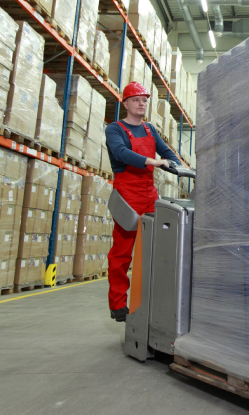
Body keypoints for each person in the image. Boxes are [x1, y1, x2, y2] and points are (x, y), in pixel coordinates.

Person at [105, 82, 181, 322]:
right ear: (125, 103)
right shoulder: (115, 129)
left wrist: (175, 165)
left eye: (145, 100)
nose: (141, 103)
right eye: (136, 99)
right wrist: (152, 161)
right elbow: (120, 153)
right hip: (127, 196)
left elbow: (167, 153)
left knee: (157, 251)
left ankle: (152, 302)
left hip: (149, 195)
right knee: (121, 254)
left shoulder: (149, 129)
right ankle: (118, 305)